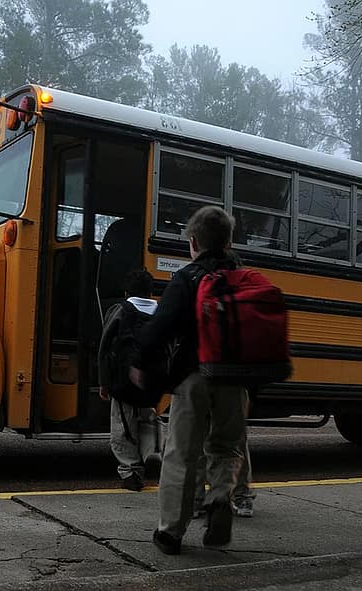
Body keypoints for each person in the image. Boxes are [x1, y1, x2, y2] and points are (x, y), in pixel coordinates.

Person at [130, 205, 249, 555]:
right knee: (227, 448)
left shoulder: (188, 277)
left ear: (194, 241)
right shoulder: (245, 279)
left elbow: (160, 326)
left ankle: (170, 532)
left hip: (194, 377)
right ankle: (221, 498)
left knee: (182, 454)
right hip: (235, 380)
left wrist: (140, 363)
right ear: (228, 242)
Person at [98, 269, 166, 492]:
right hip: (152, 382)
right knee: (148, 419)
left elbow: (105, 347)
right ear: (150, 291)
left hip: (123, 382)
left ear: (128, 291)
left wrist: (104, 382)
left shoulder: (120, 310)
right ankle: (152, 452)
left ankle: (130, 471)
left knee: (123, 425)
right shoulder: (161, 312)